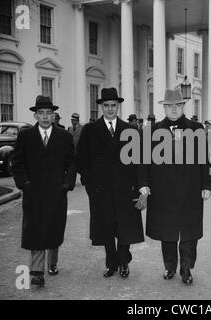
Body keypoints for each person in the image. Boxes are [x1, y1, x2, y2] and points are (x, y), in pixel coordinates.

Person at [139, 89, 211, 285]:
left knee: (189, 232)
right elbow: (143, 161)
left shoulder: (196, 128)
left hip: (190, 188)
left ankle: (186, 268)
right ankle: (170, 266)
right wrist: (143, 184)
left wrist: (207, 185)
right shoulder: (152, 131)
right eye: (169, 106)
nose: (173, 109)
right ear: (164, 107)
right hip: (163, 190)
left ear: (183, 107)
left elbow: (204, 160)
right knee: (167, 231)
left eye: (177, 105)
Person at [76, 87, 145, 279]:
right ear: (101, 107)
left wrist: (138, 186)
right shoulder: (90, 130)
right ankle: (110, 263)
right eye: (106, 106)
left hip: (125, 188)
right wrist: (90, 185)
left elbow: (139, 160)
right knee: (105, 228)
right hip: (101, 190)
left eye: (113, 105)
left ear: (118, 106)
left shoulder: (130, 130)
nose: (110, 109)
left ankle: (123, 261)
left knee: (125, 227)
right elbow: (82, 160)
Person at [11, 95, 76, 287]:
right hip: (34, 192)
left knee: (54, 227)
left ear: (54, 115)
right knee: (35, 228)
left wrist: (66, 184)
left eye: (49, 113)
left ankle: (52, 263)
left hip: (56, 192)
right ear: (36, 115)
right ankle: (37, 270)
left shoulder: (64, 137)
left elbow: (72, 163)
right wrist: (25, 184)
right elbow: (17, 162)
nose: (45, 117)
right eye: (41, 113)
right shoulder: (25, 136)